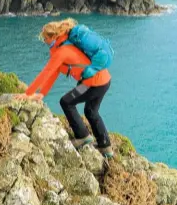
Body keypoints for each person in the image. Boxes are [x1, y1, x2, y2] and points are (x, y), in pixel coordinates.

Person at [16, 18, 113, 158]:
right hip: (103, 80)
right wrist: (41, 94)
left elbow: (46, 72)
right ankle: (106, 147)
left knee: (66, 102)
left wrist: (28, 93)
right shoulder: (63, 47)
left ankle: (83, 137)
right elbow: (53, 73)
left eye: (45, 39)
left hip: (93, 83)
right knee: (91, 111)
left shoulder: (62, 51)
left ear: (53, 37)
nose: (44, 42)